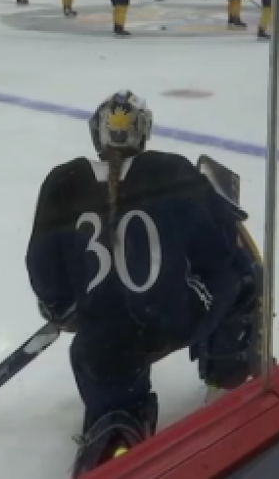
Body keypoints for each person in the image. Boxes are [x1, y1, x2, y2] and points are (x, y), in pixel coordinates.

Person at [26, 91, 263, 477]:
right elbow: (220, 249)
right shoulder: (172, 171)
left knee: (109, 385)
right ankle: (227, 379)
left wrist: (63, 307)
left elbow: (43, 271)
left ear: (96, 132)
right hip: (173, 318)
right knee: (243, 274)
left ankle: (115, 429)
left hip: (101, 342)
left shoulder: (63, 182)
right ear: (144, 132)